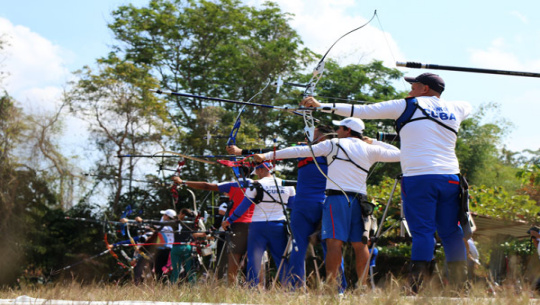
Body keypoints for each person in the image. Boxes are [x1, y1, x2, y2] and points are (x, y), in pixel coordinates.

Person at [301, 72, 472, 292]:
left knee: (423, 232)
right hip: (451, 178)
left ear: (425, 89)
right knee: (451, 231)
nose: (410, 91)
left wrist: (322, 105)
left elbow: (363, 111)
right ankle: (460, 286)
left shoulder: (407, 105)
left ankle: (418, 286)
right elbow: (468, 106)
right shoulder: (458, 108)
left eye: (414, 86)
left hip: (419, 178)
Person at [253, 118, 400, 289]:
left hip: (336, 199)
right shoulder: (369, 148)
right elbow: (398, 153)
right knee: (360, 245)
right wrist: (372, 141)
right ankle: (363, 287)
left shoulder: (333, 144)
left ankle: (333, 288)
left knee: (333, 243)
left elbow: (299, 151)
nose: (337, 131)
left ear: (347, 130)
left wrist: (266, 156)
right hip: (360, 201)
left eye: (340, 128)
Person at [228, 126, 348, 291]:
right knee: (333, 246)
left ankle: (296, 289)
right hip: (325, 204)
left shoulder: (304, 151)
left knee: (299, 247)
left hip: (303, 205)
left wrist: (241, 151)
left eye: (313, 135)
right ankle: (338, 289)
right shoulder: (336, 152)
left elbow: (274, 152)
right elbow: (277, 151)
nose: (309, 138)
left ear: (321, 138)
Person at [222, 162, 296, 288]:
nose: (257, 176)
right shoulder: (287, 184)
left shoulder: (255, 185)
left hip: (258, 226)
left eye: (257, 173)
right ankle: (288, 288)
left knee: (254, 259)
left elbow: (243, 207)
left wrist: (229, 220)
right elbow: (292, 205)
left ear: (261, 170)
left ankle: (253, 289)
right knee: (281, 258)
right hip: (278, 224)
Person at [172, 172, 254, 285]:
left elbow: (207, 185)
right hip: (255, 225)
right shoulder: (258, 184)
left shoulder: (233, 186)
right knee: (253, 257)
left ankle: (228, 285)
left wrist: (183, 182)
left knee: (232, 258)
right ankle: (254, 285)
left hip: (235, 226)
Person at [170, 208, 206, 284]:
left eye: (180, 213)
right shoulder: (190, 224)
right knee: (190, 269)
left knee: (176, 269)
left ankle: (172, 286)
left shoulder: (174, 223)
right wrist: (206, 234)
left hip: (176, 247)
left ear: (183, 215)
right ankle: (193, 286)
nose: (178, 215)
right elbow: (195, 234)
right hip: (187, 247)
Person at [154, 209, 176, 282]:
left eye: (164, 215)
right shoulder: (170, 226)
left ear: (167, 216)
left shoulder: (165, 227)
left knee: (159, 268)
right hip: (169, 250)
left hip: (162, 250)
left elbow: (158, 226)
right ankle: (162, 283)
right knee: (164, 268)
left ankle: (160, 283)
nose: (162, 216)